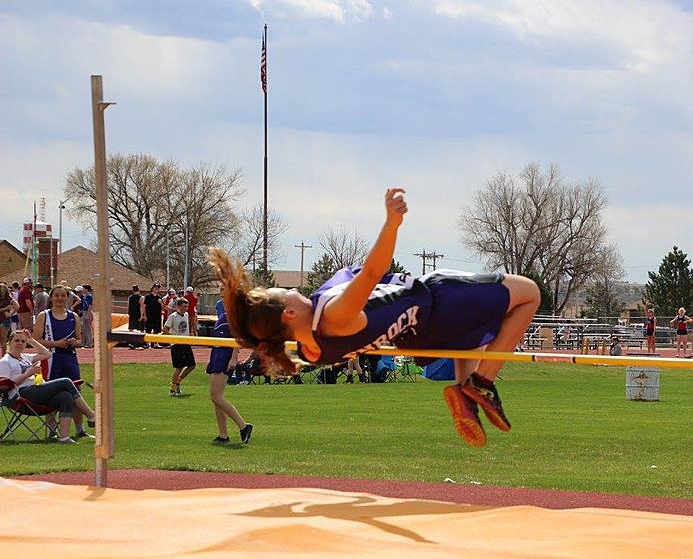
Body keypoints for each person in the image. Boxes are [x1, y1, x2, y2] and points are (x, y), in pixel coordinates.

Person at [208, 188, 541, 448]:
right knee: (529, 294)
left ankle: (464, 392)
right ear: (289, 312)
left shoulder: (313, 350)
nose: (287, 287)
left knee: (472, 338)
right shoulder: (332, 314)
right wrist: (392, 223)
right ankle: (480, 386)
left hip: (417, 334)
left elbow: (290, 351)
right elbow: (372, 272)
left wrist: (270, 350)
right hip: (436, 301)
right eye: (280, 290)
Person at [0, 330, 96, 443]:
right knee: (66, 381)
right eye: (16, 340)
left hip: (38, 391)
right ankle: (91, 415)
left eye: (23, 341)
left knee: (66, 396)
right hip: (21, 395)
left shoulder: (25, 357)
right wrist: (27, 374)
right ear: (9, 342)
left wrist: (31, 340)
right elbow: (4, 386)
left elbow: (47, 354)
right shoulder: (5, 361)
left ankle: (64, 437)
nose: (20, 343)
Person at [32, 285, 88, 439]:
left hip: (69, 359)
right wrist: (56, 343)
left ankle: (80, 430)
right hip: (51, 359)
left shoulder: (73, 316)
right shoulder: (44, 316)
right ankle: (52, 430)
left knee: (76, 391)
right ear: (51, 297)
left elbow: (80, 340)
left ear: (67, 297)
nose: (60, 298)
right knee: (52, 393)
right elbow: (35, 340)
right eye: (56, 295)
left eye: (63, 295)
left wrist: (73, 342)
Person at [205, 292, 252, 444]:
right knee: (215, 398)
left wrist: (234, 357)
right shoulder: (223, 314)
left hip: (225, 354)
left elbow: (237, 338)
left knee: (216, 396)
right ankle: (223, 434)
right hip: (217, 353)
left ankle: (243, 426)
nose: (222, 296)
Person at [163, 298, 196, 396]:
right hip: (177, 344)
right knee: (179, 367)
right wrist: (174, 337)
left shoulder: (186, 315)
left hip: (186, 343)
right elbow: (165, 329)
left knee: (192, 365)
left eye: (187, 306)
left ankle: (177, 382)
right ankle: (173, 389)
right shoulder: (173, 316)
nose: (186, 308)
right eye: (184, 306)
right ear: (178, 306)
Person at [0, 283, 18, 357]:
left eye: (4, 289)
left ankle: (3, 357)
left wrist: (10, 313)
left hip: (4, 320)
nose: (2, 290)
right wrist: (6, 308)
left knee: (3, 339)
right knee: (2, 339)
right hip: (3, 319)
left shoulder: (9, 298)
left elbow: (17, 306)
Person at [127, 285, 144, 349]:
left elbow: (128, 306)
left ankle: (131, 343)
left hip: (132, 314)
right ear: (139, 290)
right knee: (141, 329)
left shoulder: (130, 297)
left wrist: (128, 313)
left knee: (131, 329)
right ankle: (141, 343)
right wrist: (141, 316)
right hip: (138, 314)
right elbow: (141, 307)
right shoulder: (141, 297)